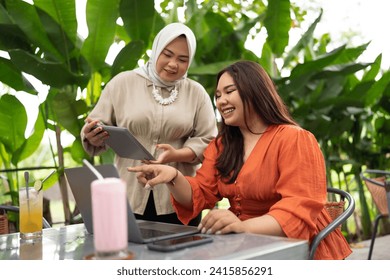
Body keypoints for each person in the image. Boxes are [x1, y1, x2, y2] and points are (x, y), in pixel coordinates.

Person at [128, 60, 352, 260]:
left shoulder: (294, 139)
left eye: (229, 91)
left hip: (300, 248)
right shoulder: (221, 145)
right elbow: (201, 193)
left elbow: (297, 209)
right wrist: (173, 176)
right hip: (246, 243)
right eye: (217, 95)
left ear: (254, 91)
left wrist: (242, 226)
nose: (221, 101)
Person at [81, 23, 218, 226]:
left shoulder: (196, 93)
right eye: (167, 54)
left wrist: (177, 155)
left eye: (182, 59)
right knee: (129, 255)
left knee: (179, 254)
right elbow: (97, 124)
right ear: (155, 51)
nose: (173, 64)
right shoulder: (122, 83)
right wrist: (92, 135)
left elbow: (209, 141)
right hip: (128, 195)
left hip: (177, 197)